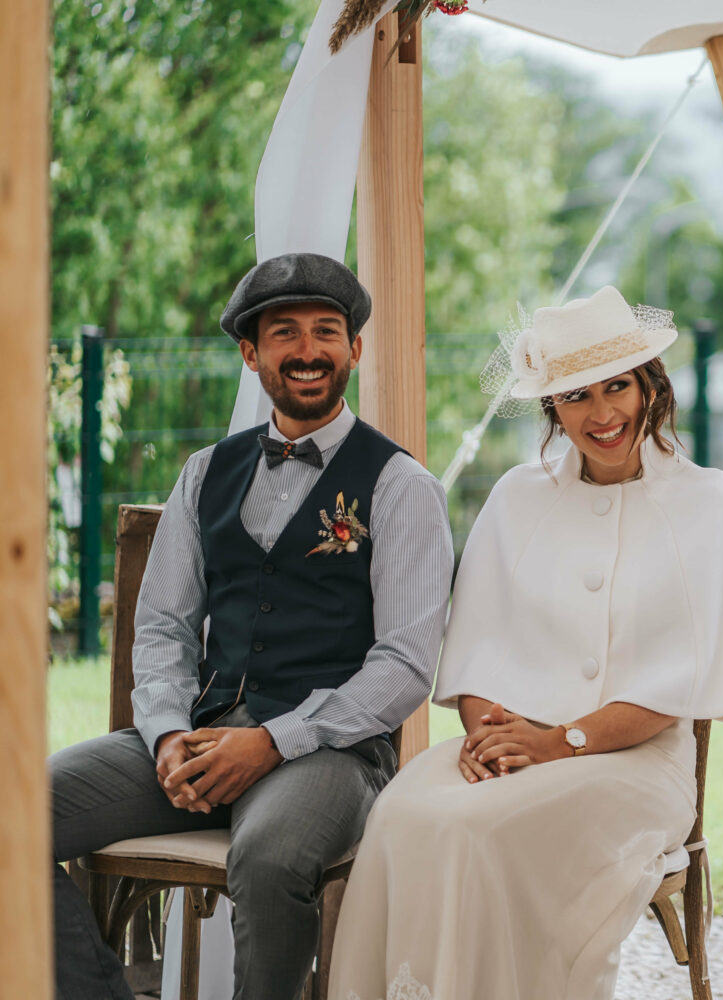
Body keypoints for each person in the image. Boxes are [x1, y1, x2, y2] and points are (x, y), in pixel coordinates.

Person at [328, 285, 723, 1000]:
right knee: (405, 812)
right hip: (512, 747)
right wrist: (492, 738)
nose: (601, 415)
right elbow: (475, 654)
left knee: (478, 833)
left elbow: (674, 692)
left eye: (617, 387)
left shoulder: (709, 506)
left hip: (638, 764)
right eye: (575, 395)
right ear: (551, 408)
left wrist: (553, 743)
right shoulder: (516, 498)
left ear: (649, 385)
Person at [49, 253, 454, 1000]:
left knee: (269, 862)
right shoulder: (206, 472)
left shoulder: (402, 487)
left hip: (330, 753)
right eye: (285, 333)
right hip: (201, 733)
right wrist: (170, 733)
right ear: (252, 354)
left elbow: (404, 666)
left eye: (327, 332)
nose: (308, 350)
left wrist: (272, 740)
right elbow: (165, 628)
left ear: (353, 350)